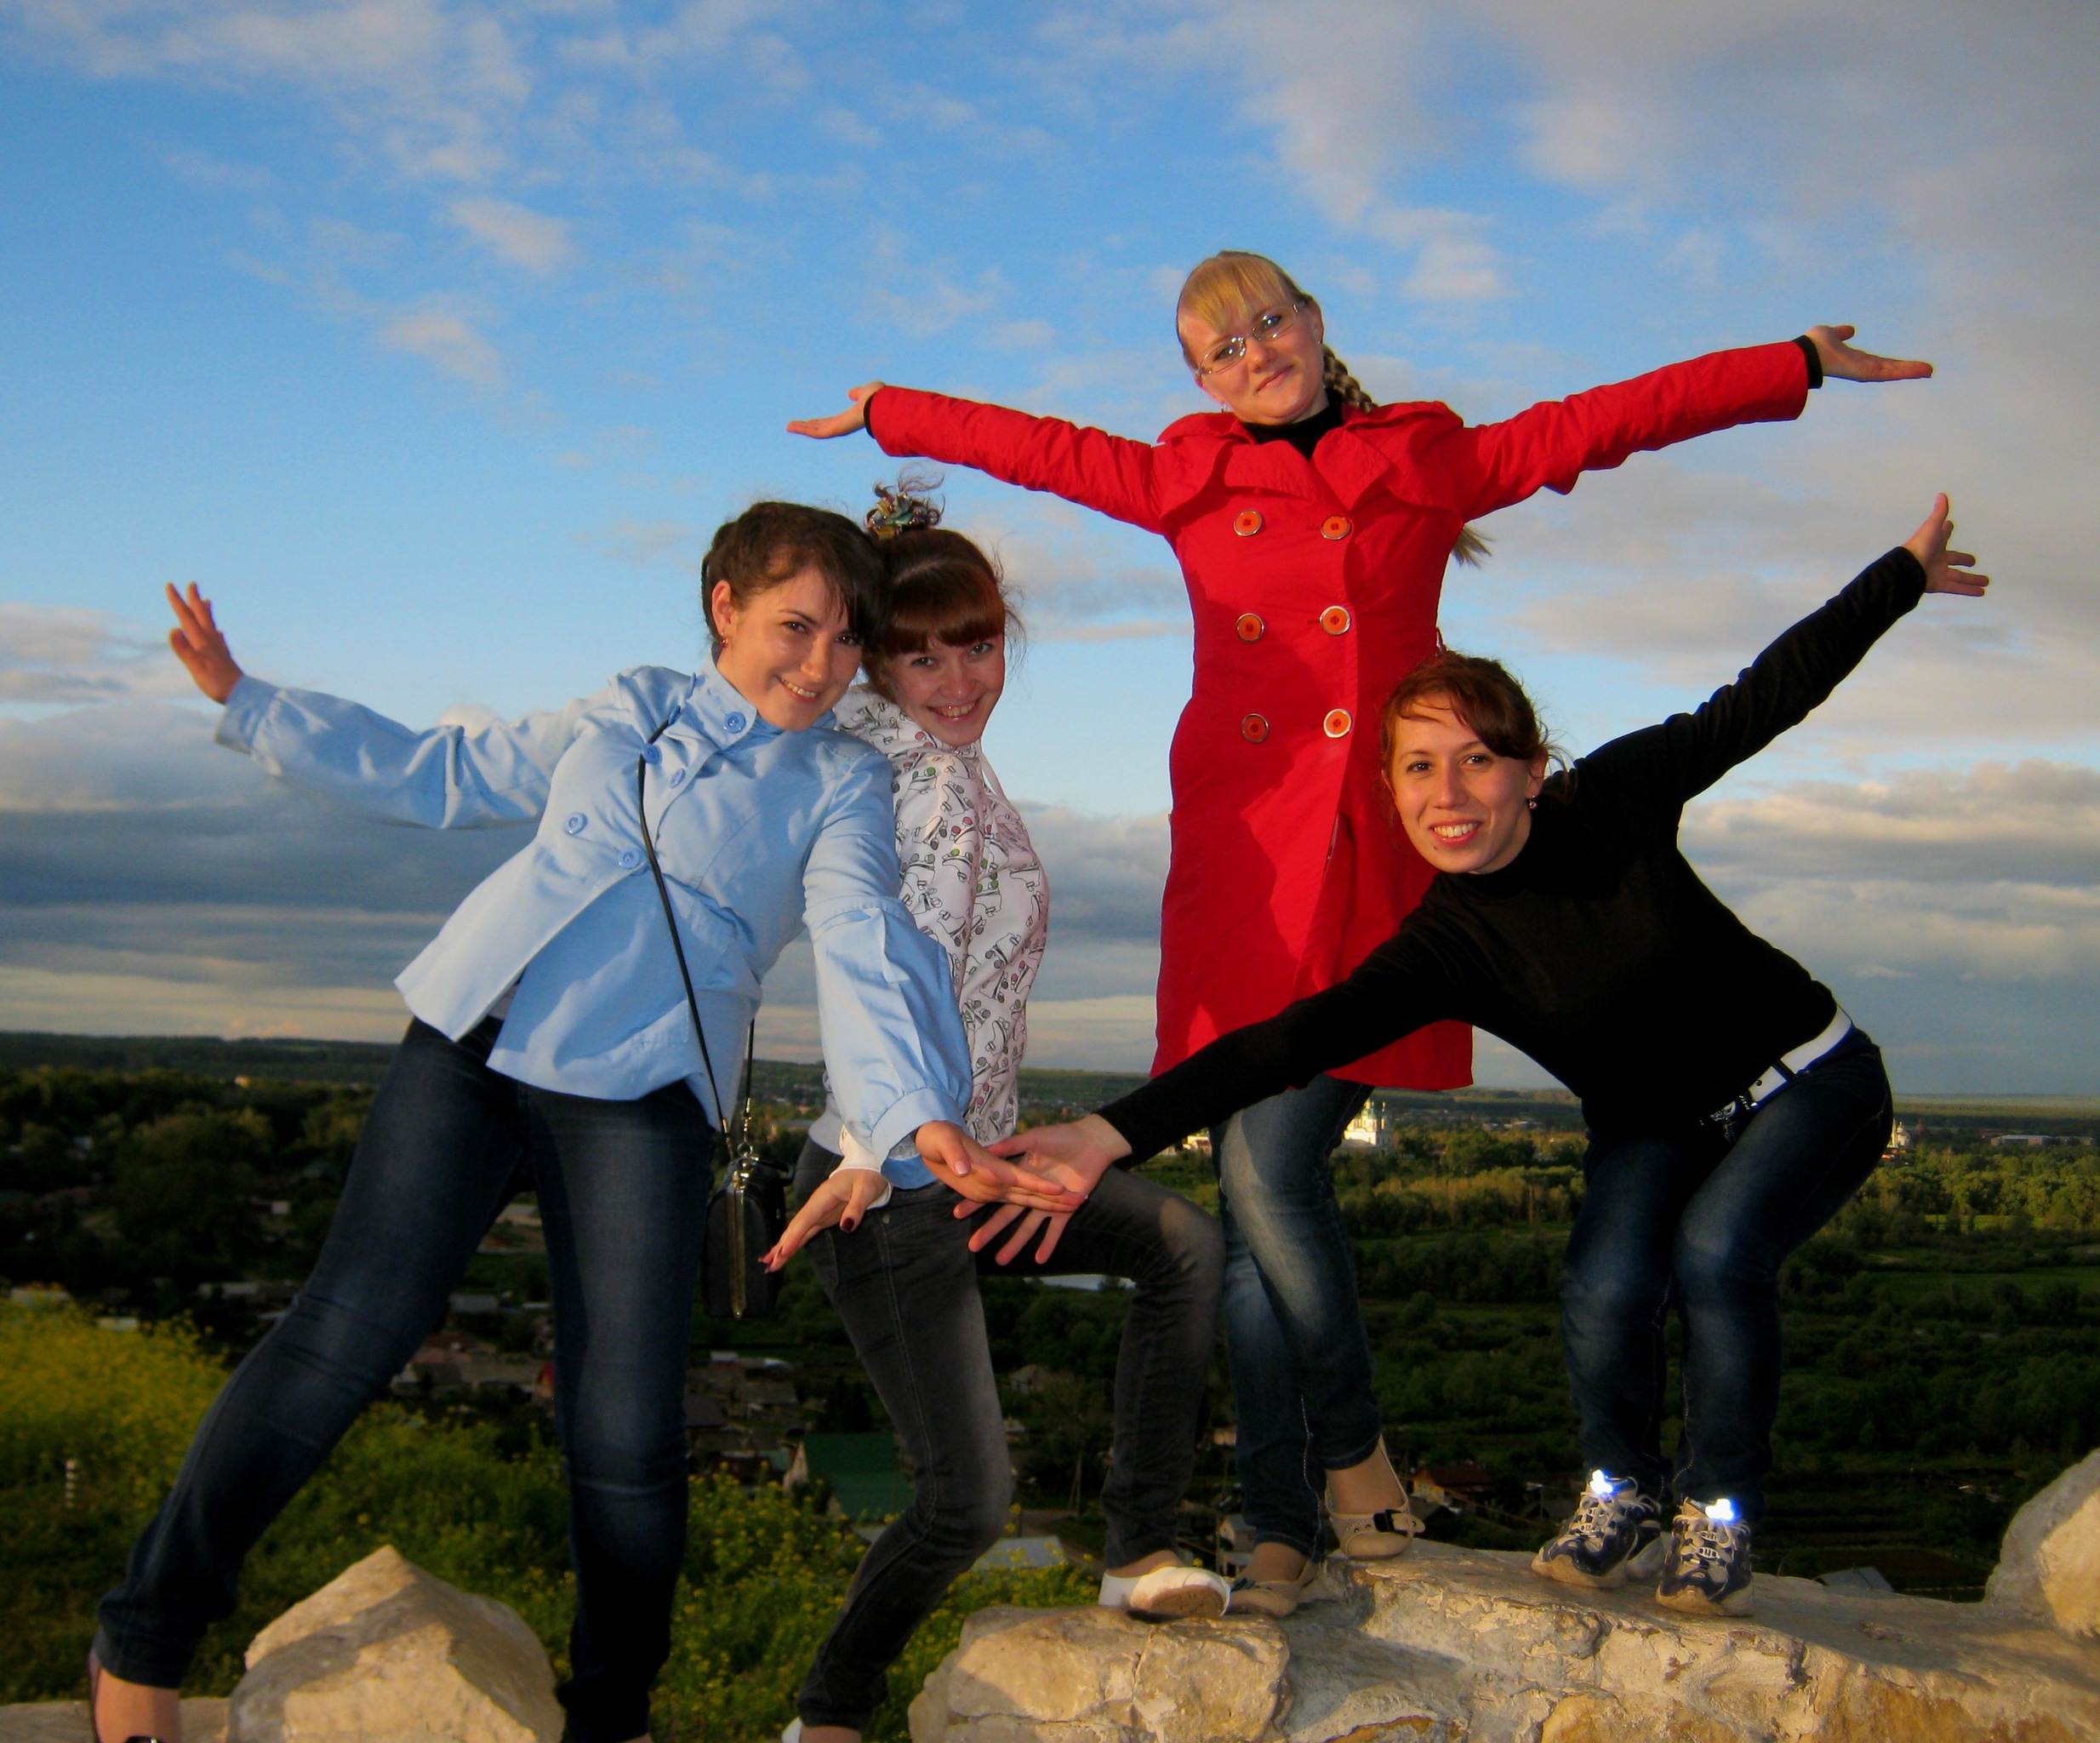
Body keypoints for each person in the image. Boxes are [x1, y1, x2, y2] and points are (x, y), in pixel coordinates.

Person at [788, 251, 1936, 1604]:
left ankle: (1346, 1462)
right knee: (1256, 1192)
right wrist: (894, 411)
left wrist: (1792, 364)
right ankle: (1281, 1523)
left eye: (1268, 323)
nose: (1252, 354)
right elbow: (1043, 451)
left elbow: (1599, 424)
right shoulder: (1186, 475)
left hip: (1383, 877)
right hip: (1243, 875)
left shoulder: (1426, 463)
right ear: (1200, 378)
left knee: (1272, 1173)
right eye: (1219, 349)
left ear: (1316, 325)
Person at [88, 503, 1071, 1743]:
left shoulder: (841, 781)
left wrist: (910, 1110)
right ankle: (145, 1637)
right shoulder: (630, 708)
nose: (822, 665)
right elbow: (446, 772)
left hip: (644, 1094)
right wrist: (250, 702)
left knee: (625, 1427)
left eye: (845, 639)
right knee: (340, 1338)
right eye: (796, 626)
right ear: (725, 607)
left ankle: (612, 1715)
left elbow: (864, 936)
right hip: (474, 1043)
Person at [976, 495, 1987, 1619]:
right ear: (1392, 789)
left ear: (1532, 770)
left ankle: (1719, 1508)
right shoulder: (1444, 948)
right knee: (1603, 1286)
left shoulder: (1613, 802)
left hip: (1806, 1079)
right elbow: (1289, 1042)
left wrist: (1899, 577)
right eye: (1418, 768)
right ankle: (1623, 1492)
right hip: (1654, 1123)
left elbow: (1763, 696)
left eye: (1477, 761)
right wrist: (1110, 1132)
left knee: (1714, 1254)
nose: (1448, 795)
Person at [762, 484, 1228, 1743]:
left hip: (978, 1160)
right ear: (877, 660)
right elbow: (866, 965)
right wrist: (883, 1145)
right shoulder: (893, 781)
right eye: (923, 657)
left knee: (1182, 1248)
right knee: (965, 1502)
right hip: (884, 1181)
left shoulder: (953, 765)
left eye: (977, 646)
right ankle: (829, 1715)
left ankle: (1136, 1552)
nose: (959, 680)